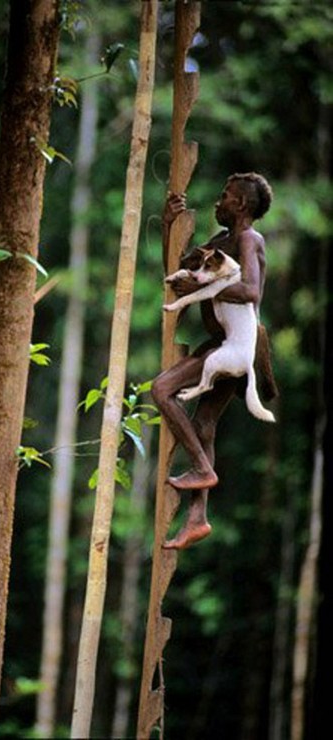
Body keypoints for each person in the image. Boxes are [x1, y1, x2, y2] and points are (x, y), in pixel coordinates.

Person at [151, 172, 275, 549]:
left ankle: (202, 469)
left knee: (162, 389)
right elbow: (176, 275)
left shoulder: (249, 240)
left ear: (240, 204)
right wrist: (169, 225)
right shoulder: (219, 243)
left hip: (236, 344)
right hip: (222, 343)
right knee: (204, 422)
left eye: (225, 196)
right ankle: (198, 518)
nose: (218, 201)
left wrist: (202, 285)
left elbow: (252, 291)